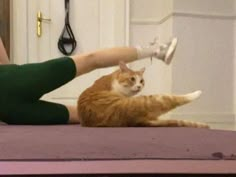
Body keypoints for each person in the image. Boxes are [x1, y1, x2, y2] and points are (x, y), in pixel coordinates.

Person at [0, 36, 178, 125]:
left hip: (10, 90)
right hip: (12, 104)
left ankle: (157, 50)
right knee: (85, 114)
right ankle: (157, 51)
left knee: (90, 62)